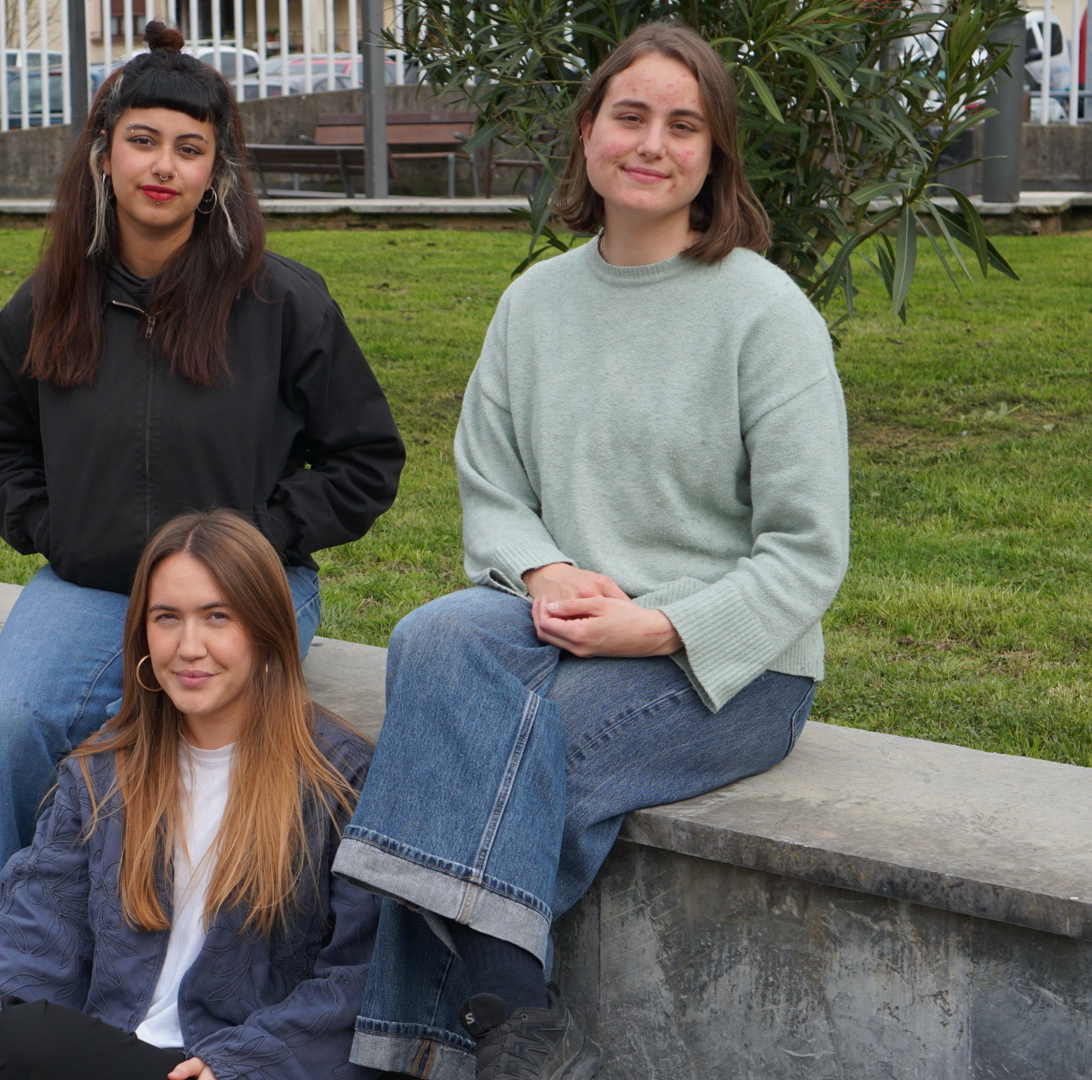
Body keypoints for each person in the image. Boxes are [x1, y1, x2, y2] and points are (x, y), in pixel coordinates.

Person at [332, 20, 851, 1080]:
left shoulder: (767, 314)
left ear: (714, 153)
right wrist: (543, 569)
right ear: (586, 132)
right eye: (631, 116)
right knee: (431, 638)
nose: (652, 144)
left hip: (729, 662)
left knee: (501, 754)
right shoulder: (534, 304)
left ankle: (451, 1039)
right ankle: (523, 1032)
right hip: (559, 616)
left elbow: (807, 553)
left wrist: (655, 626)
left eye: (683, 125)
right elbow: (492, 488)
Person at [0, 20, 404, 893]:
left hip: (241, 588)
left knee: (165, 740)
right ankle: (15, 942)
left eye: (189, 149)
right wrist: (55, 527)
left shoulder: (283, 302)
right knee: (7, 734)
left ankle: (150, 944)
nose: (163, 166)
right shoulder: (48, 303)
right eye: (143, 141)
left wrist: (260, 538)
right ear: (103, 156)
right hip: (93, 587)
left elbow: (366, 459)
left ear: (215, 173)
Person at [0, 509, 382, 1080]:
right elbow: (32, 921)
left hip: (215, 1063)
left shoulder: (339, 779)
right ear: (142, 633)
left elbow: (365, 978)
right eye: (167, 618)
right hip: (114, 1030)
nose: (189, 646)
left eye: (217, 617)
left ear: (265, 629)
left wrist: (241, 1064)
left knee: (22, 1039)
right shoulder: (109, 765)